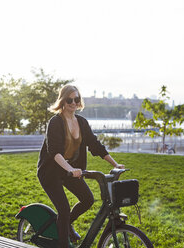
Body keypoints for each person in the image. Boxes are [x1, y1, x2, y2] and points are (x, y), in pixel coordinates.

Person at [37, 85, 125, 248]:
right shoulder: (55, 122)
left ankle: (65, 225)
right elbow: (54, 151)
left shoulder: (82, 122)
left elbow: (95, 145)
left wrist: (115, 164)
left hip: (71, 172)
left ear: (79, 101)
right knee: (63, 208)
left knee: (87, 199)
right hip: (51, 172)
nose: (73, 102)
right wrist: (70, 169)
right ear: (62, 101)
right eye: (69, 99)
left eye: (76, 99)